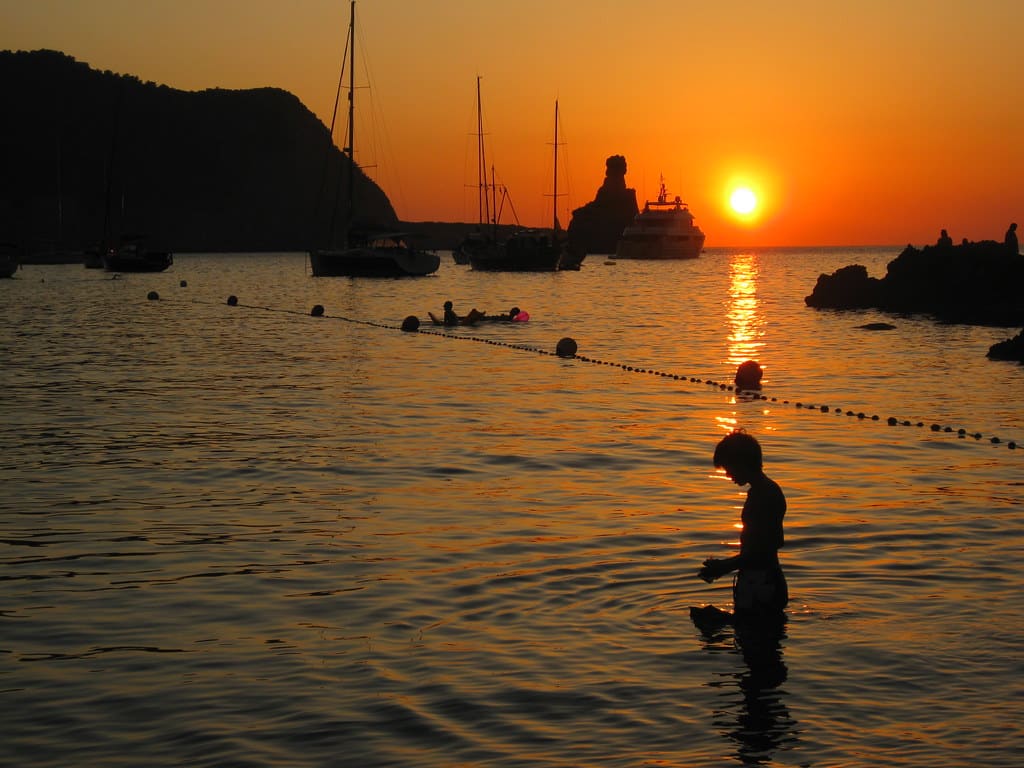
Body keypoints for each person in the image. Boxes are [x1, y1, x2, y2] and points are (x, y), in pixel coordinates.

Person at [692, 429, 788, 625]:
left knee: (756, 642)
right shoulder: (763, 491)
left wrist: (724, 566)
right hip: (760, 582)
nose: (728, 475)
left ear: (742, 463)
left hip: (763, 586)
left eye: (728, 468)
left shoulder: (764, 495)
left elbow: (764, 550)